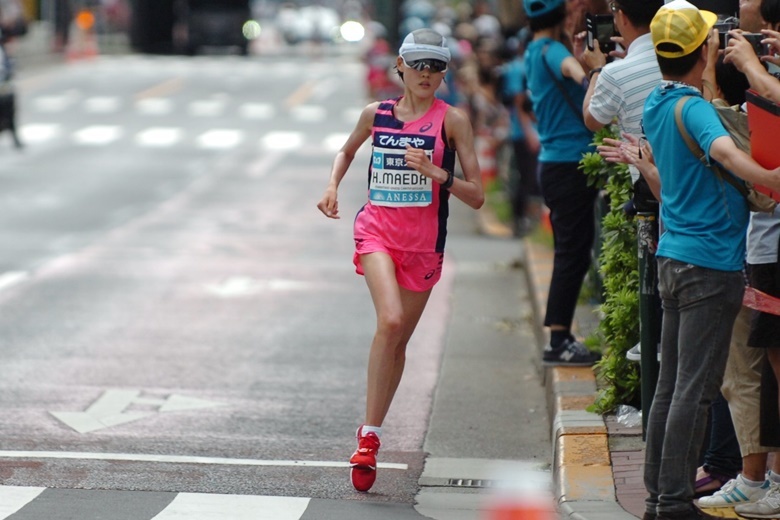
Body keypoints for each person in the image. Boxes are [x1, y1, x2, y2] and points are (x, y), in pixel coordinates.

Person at [316, 28, 484, 493]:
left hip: (424, 246)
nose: (426, 74)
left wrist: (438, 173)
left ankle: (372, 433)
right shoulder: (377, 115)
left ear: (444, 72)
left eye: (436, 66)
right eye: (418, 65)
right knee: (389, 322)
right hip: (377, 234)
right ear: (401, 68)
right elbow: (347, 150)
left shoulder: (453, 122)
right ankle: (367, 438)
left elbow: (477, 196)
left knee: (399, 341)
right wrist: (332, 186)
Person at [641, 1, 780, 519]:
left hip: (674, 259)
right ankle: (673, 501)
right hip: (709, 266)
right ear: (704, 48)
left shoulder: (657, 102)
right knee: (693, 394)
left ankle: (659, 495)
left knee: (669, 388)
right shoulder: (695, 109)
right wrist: (770, 179)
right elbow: (724, 154)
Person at [522, 0, 601, 366]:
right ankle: (558, 340)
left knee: (569, 250)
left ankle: (560, 334)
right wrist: (592, 73)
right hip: (570, 165)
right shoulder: (553, 51)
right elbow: (572, 70)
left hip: (554, 164)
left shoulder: (532, 51)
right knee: (572, 252)